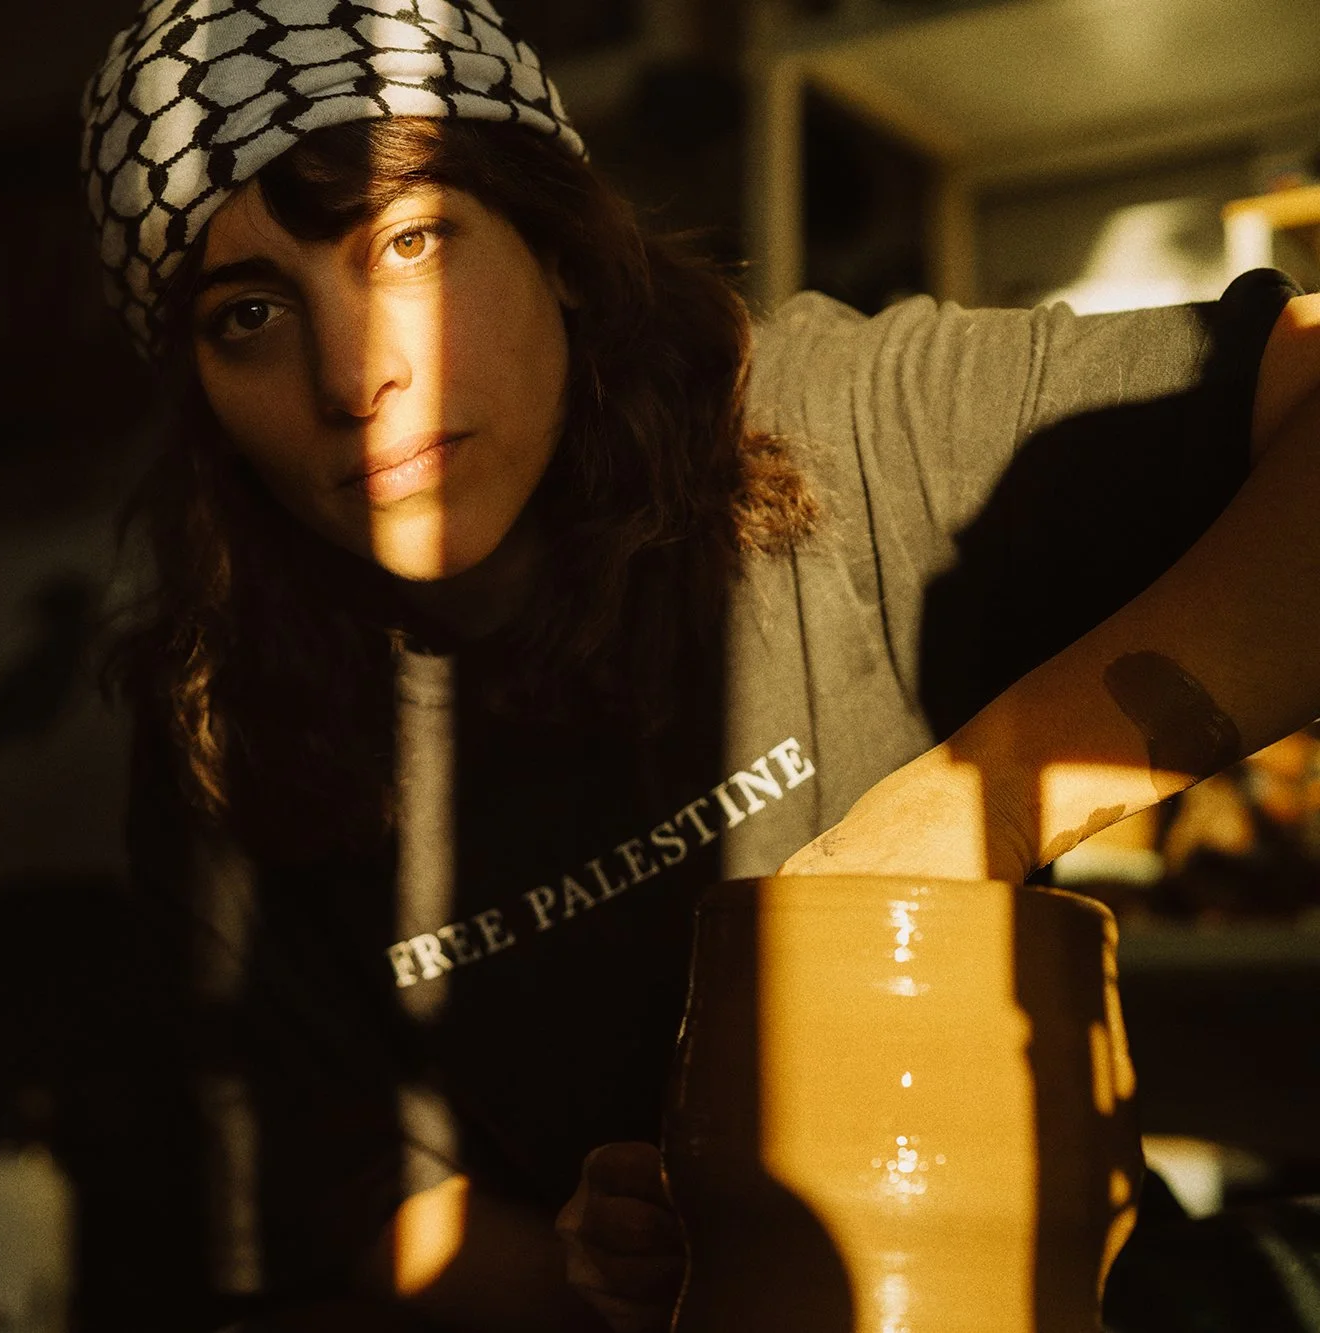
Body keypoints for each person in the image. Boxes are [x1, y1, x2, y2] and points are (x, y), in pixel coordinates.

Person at [78, 0, 1320, 1328]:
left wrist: (976, 808)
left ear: (555, 241)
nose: (351, 375)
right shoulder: (224, 736)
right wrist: (594, 1273)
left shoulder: (852, 425)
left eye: (412, 240)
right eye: (251, 313)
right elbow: (357, 1198)